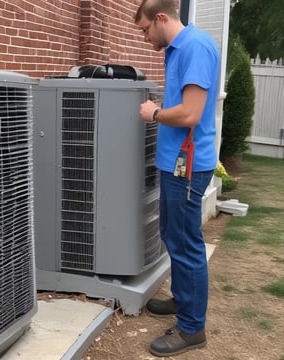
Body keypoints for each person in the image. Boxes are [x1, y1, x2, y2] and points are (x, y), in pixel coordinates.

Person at [134, 0, 220, 357]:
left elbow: (190, 113)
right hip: (175, 163)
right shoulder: (177, 50)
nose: (144, 37)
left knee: (186, 245)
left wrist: (155, 113)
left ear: (161, 18)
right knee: (174, 236)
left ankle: (191, 328)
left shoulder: (195, 47)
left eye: (145, 30)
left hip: (187, 165)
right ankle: (184, 300)